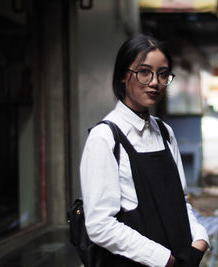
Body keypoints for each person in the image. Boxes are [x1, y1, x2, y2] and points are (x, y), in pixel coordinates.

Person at [80, 34, 209, 267]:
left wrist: (200, 237)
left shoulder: (165, 132)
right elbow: (100, 225)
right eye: (144, 72)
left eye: (162, 74)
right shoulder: (106, 138)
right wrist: (162, 259)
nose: (155, 82)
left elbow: (181, 201)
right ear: (122, 76)